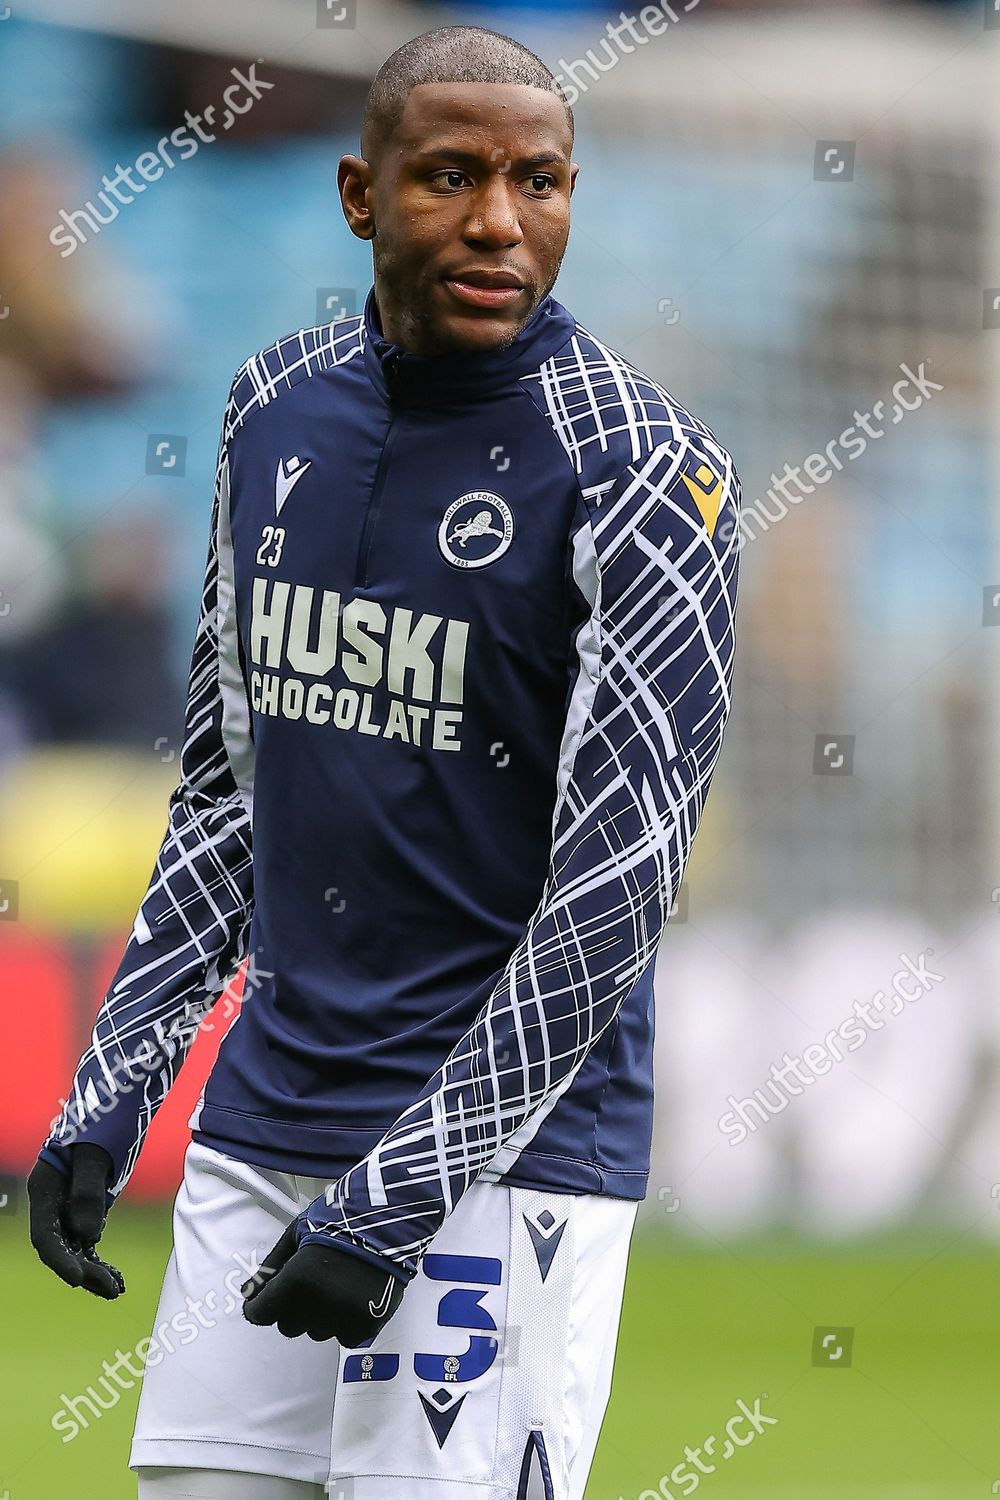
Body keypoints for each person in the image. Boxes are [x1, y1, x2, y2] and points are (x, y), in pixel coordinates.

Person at [27, 23, 741, 1500]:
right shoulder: (272, 404)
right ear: (362, 196)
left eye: (538, 182)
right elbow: (231, 790)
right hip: (268, 1126)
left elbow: (615, 894)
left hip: (498, 1173)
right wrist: (113, 1088)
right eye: (451, 177)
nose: (498, 220)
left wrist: (404, 1194)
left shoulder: (640, 475)